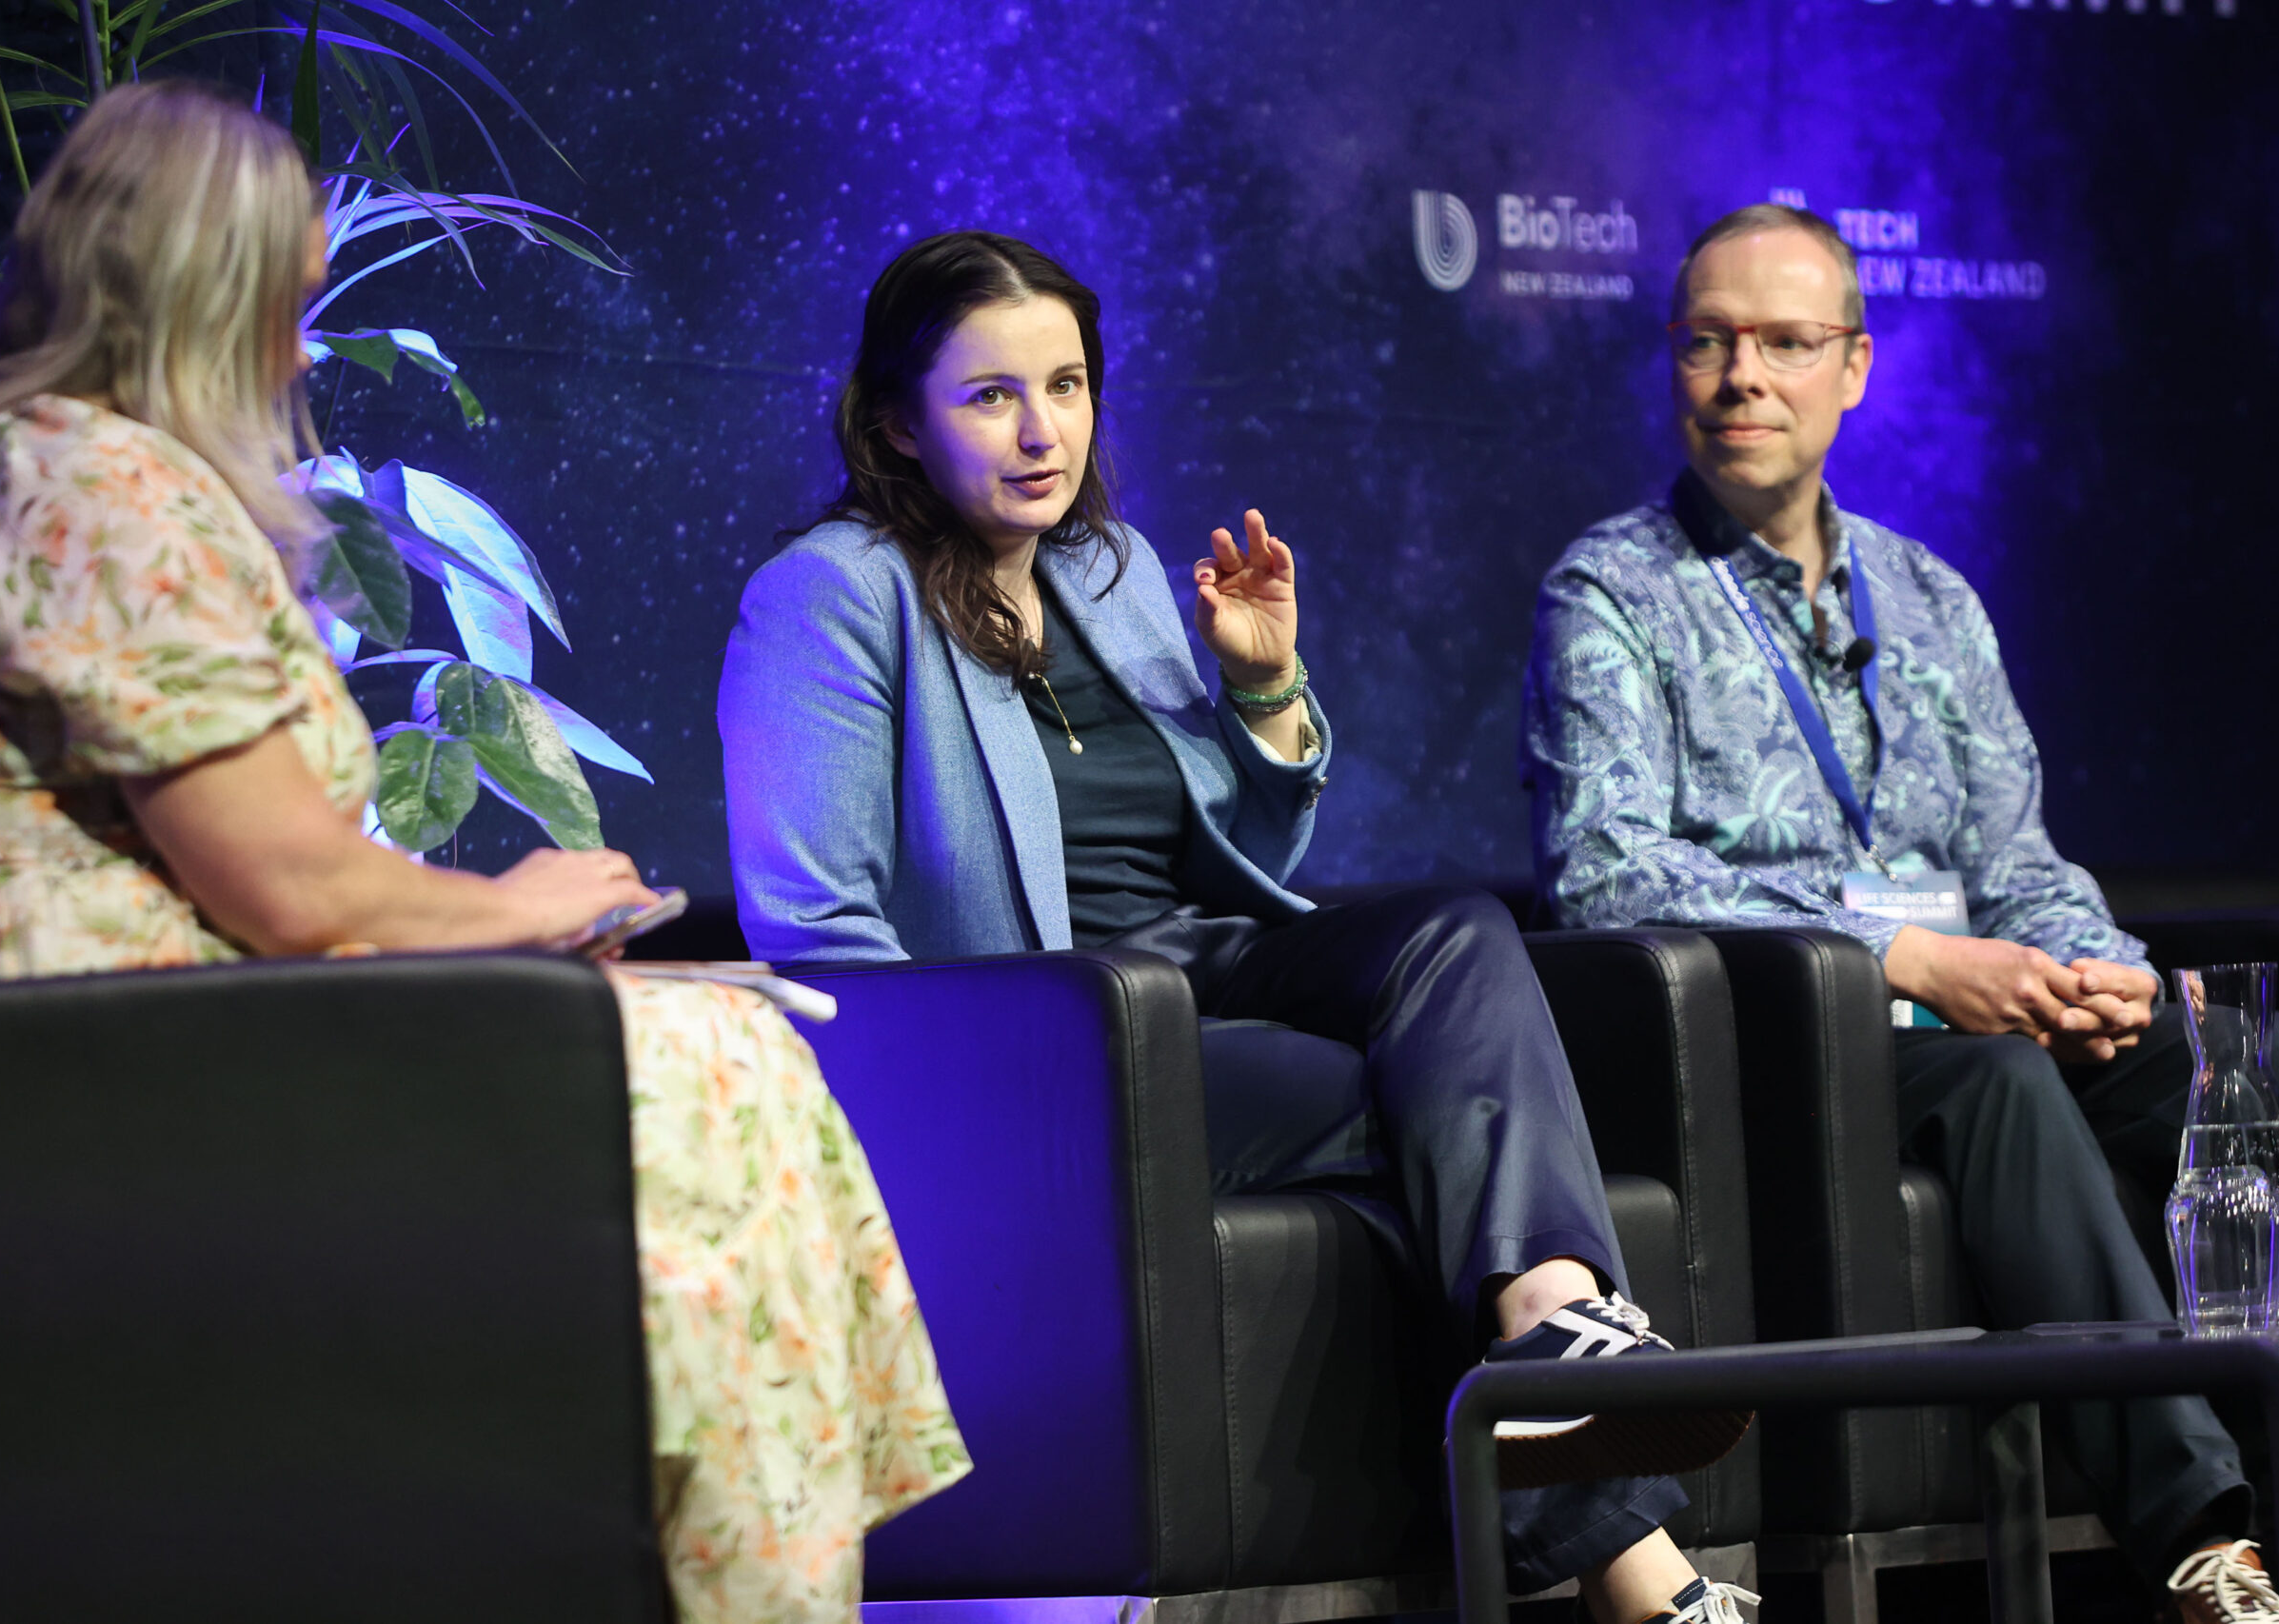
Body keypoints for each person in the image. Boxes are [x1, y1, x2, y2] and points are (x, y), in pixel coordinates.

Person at [0, 82, 966, 1624]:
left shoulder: (22, 462)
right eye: (284, 308)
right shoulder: (93, 479)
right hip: (99, 1060)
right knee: (717, 1072)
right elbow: (287, 882)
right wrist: (508, 904)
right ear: (200, 296)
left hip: (127, 1025)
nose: (297, 355)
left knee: (708, 1039)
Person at [720, 228, 1754, 1624]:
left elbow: (1245, 858)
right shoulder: (831, 595)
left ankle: (1553, 1320)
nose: (1043, 432)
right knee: (1421, 1117)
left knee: (1453, 930)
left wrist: (1263, 690)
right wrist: (980, 1074)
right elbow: (818, 927)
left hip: (1193, 961)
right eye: (991, 396)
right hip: (1047, 1043)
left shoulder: (1110, 570)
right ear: (899, 422)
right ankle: (1645, 1572)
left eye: (1067, 386)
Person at [1521, 202, 2279, 1624]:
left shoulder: (1930, 595)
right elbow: (1606, 867)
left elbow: (2016, 853)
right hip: (1794, 1042)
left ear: (1855, 366)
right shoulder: (1612, 590)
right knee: (2003, 1085)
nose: (1741, 377)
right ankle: (2204, 1541)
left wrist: (2103, 972)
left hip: (1983, 1002)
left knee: (2261, 1066)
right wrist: (1902, 957)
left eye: (1783, 343)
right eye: (1707, 342)